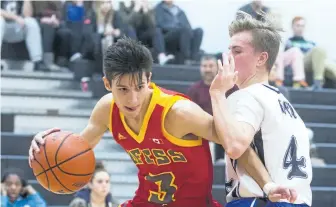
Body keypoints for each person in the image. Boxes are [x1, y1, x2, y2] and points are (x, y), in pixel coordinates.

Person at [29, 38, 296, 207]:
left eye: (140, 87)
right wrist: (45, 145)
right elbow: (77, 148)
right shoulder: (106, 110)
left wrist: (268, 185)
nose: (133, 98)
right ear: (108, 84)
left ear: (149, 78)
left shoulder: (178, 112)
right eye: (122, 89)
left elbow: (237, 145)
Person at [209, 12, 312, 206]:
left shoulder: (246, 96)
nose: (227, 57)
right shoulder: (282, 100)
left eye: (237, 51)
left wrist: (216, 93)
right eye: (228, 49)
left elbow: (235, 146)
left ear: (261, 58)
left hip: (260, 200)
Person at [286, 16, 336, 91]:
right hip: (301, 63)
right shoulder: (289, 42)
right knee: (319, 50)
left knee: (331, 66)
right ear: (292, 27)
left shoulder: (311, 43)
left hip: (316, 63)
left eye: (302, 26)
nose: (300, 28)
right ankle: (318, 81)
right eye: (298, 26)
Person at [0, 0, 46, 71]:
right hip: (3, 27)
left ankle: (37, 61)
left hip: (17, 28)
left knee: (31, 22)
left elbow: (27, 15)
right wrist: (16, 17)